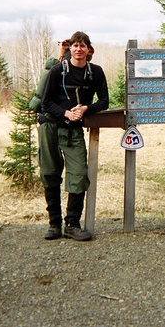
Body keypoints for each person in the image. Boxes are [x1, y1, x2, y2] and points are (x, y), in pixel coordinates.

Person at [39, 31, 108, 241]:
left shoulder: (95, 73)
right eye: (75, 46)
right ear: (70, 49)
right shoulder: (57, 71)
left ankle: (72, 224)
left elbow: (104, 101)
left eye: (83, 46)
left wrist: (86, 108)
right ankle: (54, 224)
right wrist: (66, 112)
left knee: (78, 174)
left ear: (89, 50)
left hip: (74, 130)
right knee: (50, 174)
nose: (79, 50)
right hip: (50, 126)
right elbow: (45, 103)